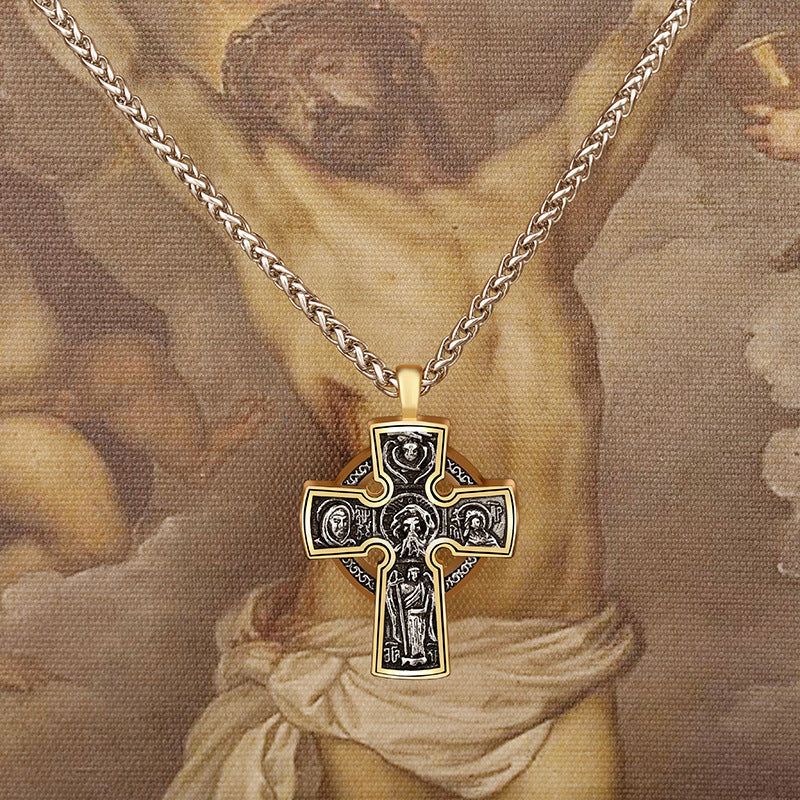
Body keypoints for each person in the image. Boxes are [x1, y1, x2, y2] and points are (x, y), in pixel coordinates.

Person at [19, 0, 731, 796]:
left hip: (558, 653)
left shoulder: (537, 197)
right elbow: (134, 70)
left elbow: (655, 39)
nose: (311, 102)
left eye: (324, 67)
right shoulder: (289, 221)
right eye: (280, 96)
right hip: (372, 671)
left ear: (397, 62)